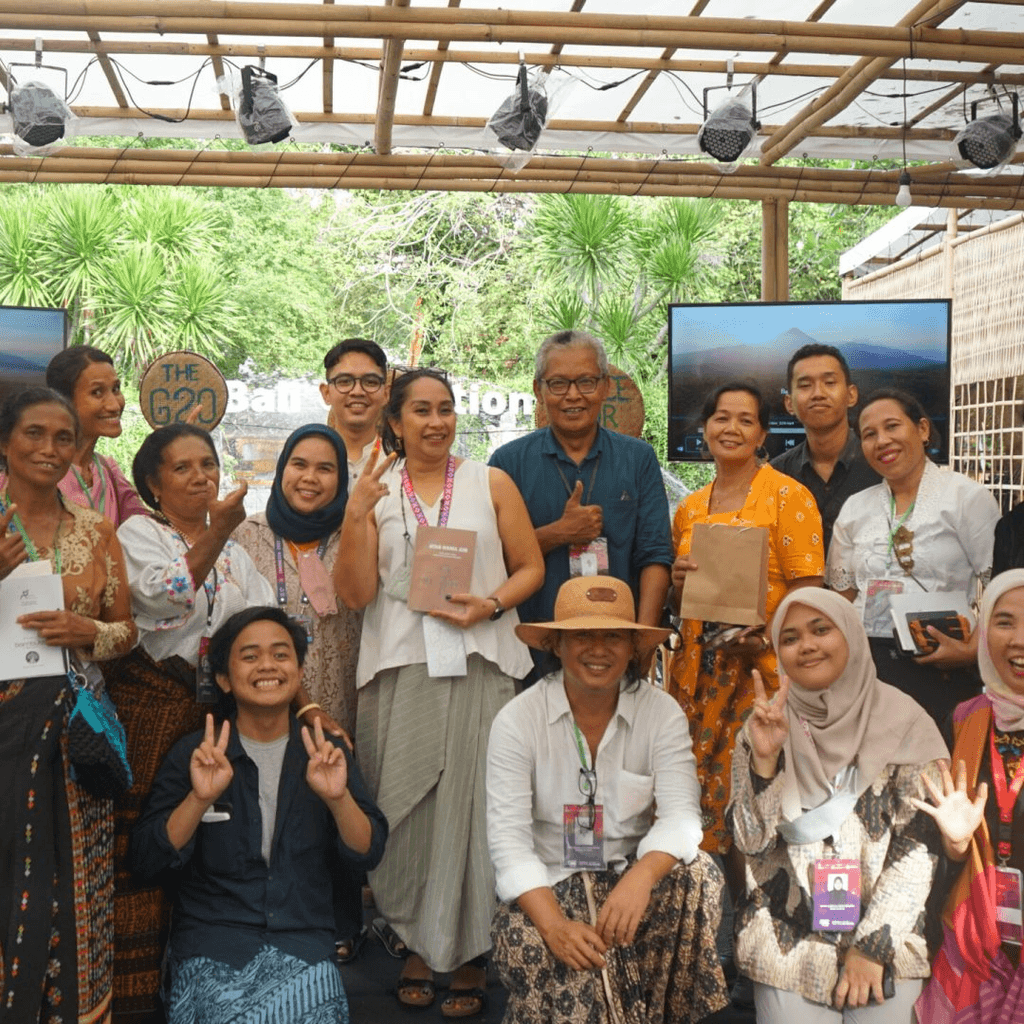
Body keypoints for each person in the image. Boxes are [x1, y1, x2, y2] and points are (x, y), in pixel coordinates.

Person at [335, 367, 544, 1016]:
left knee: (483, 810)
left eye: (445, 408)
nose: (436, 421)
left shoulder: (491, 481)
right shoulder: (376, 488)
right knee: (403, 811)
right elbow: (355, 594)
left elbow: (531, 567)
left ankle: (473, 952)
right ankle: (416, 942)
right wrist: (356, 513)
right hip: (401, 669)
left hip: (483, 662)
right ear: (393, 422)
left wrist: (490, 604)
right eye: (420, 410)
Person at [487, 575, 729, 1024]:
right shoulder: (517, 721)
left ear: (633, 647)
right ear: (556, 645)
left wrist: (641, 876)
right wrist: (555, 926)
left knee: (701, 878)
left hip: (628, 878)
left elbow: (682, 817)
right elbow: (508, 844)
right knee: (538, 946)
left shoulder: (660, 712)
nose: (598, 649)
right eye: (582, 636)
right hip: (550, 881)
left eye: (613, 636)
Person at [130, 606, 388, 1024]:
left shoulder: (327, 753)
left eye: (281, 654)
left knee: (314, 1009)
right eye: (250, 656)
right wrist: (198, 799)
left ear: (300, 672)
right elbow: (146, 858)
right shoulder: (195, 753)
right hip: (213, 947)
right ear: (224, 679)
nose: (267, 665)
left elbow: (368, 852)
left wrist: (338, 799)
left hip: (303, 945)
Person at [106, 423, 276, 1022]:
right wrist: (220, 532)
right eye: (183, 468)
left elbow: (262, 618)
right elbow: (162, 598)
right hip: (152, 709)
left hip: (218, 714)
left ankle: (206, 978)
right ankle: (132, 996)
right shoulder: (137, 532)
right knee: (152, 845)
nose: (202, 476)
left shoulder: (233, 548)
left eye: (208, 463)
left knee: (213, 843)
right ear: (152, 483)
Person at [729, 588, 948, 1023]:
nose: (806, 645)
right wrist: (765, 762)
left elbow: (920, 850)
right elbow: (750, 841)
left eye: (821, 629)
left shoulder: (907, 723)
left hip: (887, 933)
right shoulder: (765, 724)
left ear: (851, 633)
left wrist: (872, 947)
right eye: (789, 638)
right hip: (787, 937)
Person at [0, 386, 137, 1023]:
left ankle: (75, 1010)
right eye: (34, 434)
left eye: (62, 437)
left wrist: (91, 633)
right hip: (5, 734)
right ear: (5, 442)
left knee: (69, 883)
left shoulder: (95, 529)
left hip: (74, 737)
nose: (50, 449)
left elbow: (125, 631)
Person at [669, 381, 824, 856]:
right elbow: (683, 606)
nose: (731, 428)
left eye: (745, 420)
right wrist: (678, 582)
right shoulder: (690, 507)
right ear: (704, 428)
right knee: (689, 809)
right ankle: (707, 914)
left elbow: (810, 593)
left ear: (762, 436)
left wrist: (762, 639)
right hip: (697, 674)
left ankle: (749, 918)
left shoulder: (788, 497)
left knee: (750, 809)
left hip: (761, 676)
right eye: (721, 417)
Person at [232, 423, 367, 962]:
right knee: (275, 807)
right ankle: (275, 917)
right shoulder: (248, 533)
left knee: (341, 801)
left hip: (349, 691)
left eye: (325, 468)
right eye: (299, 465)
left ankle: (343, 921)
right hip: (271, 696)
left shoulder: (358, 530)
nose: (310, 478)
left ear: (341, 478)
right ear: (282, 468)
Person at [489, 329, 672, 682]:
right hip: (530, 652)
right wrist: (558, 534)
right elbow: (492, 560)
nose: (573, 395)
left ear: (605, 386)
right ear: (538, 389)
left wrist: (643, 641)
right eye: (558, 383)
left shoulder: (638, 459)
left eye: (586, 382)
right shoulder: (508, 463)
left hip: (616, 652)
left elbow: (655, 555)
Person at [827, 387, 1000, 725]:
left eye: (893, 426)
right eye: (869, 434)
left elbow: (1002, 589)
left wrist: (972, 651)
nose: (882, 441)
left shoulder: (967, 497)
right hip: (866, 667)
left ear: (922, 429)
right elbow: (843, 595)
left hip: (941, 663)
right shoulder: (856, 507)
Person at [912, 568, 1024, 1022]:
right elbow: (935, 844)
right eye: (1004, 621)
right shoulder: (962, 721)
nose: (1019, 639)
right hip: (971, 941)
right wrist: (954, 844)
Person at [0, 344, 150, 524]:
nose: (114, 405)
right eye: (97, 392)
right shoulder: (37, 470)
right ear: (64, 400)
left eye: (116, 389)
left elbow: (150, 529)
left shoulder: (108, 471)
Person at [770, 343, 880, 554]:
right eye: (804, 386)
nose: (818, 393)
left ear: (851, 395)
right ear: (789, 403)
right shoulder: (776, 476)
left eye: (829, 382)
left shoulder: (881, 466)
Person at [320, 337, 390, 488]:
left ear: (386, 393)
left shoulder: (403, 464)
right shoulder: (308, 459)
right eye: (344, 381)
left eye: (370, 382)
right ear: (326, 393)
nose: (357, 392)